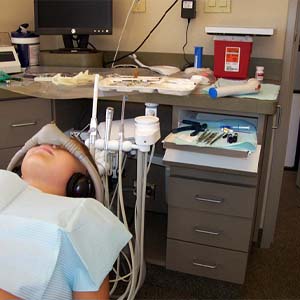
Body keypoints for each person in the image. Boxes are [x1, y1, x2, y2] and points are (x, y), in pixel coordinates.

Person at [0, 138, 110, 300]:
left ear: (79, 185)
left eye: (63, 148)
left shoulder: (82, 222)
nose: (46, 144)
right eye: (37, 145)